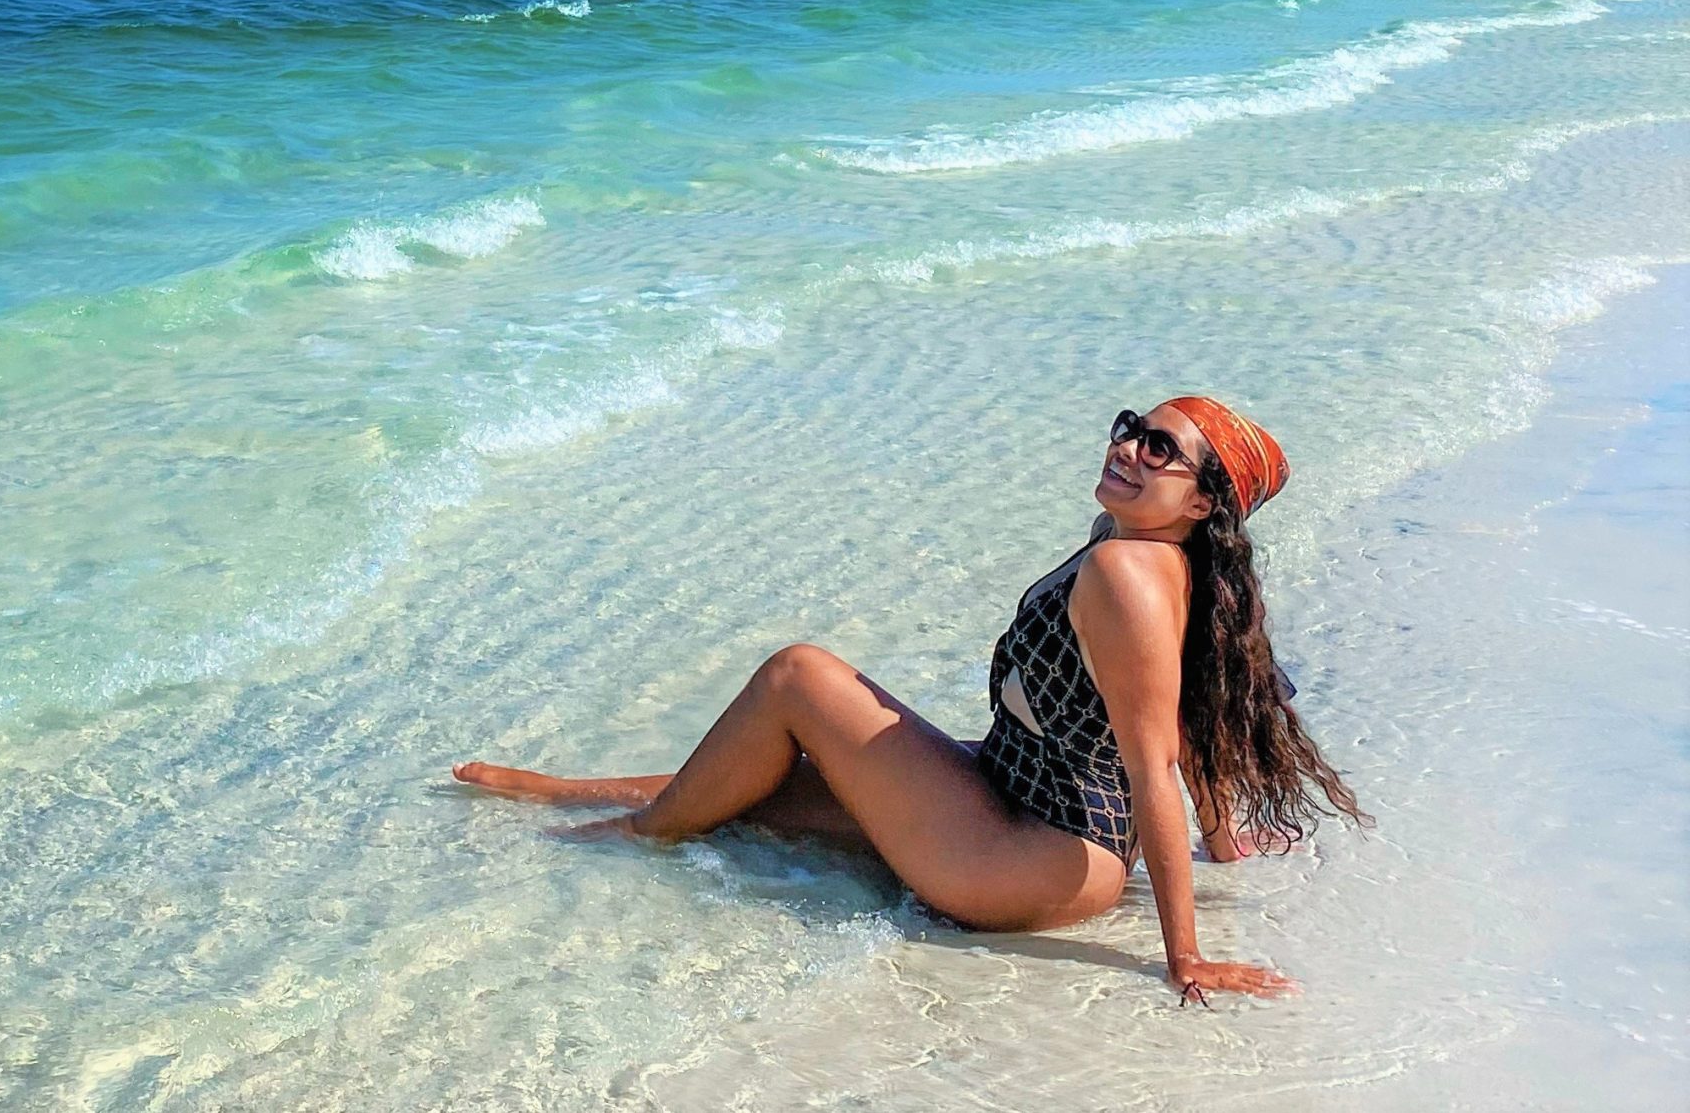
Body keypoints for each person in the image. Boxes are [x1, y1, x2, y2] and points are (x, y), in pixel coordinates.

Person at [452, 396, 1367, 1004]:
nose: (1128, 447)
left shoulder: (1129, 573)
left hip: (1033, 854)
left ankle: (637, 837)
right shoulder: (1160, 558)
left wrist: (1184, 956)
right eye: (1133, 425)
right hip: (1020, 808)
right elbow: (1193, 711)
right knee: (756, 784)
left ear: (1203, 502)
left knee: (798, 675)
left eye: (1159, 449)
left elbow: (1154, 758)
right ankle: (572, 794)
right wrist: (1222, 839)